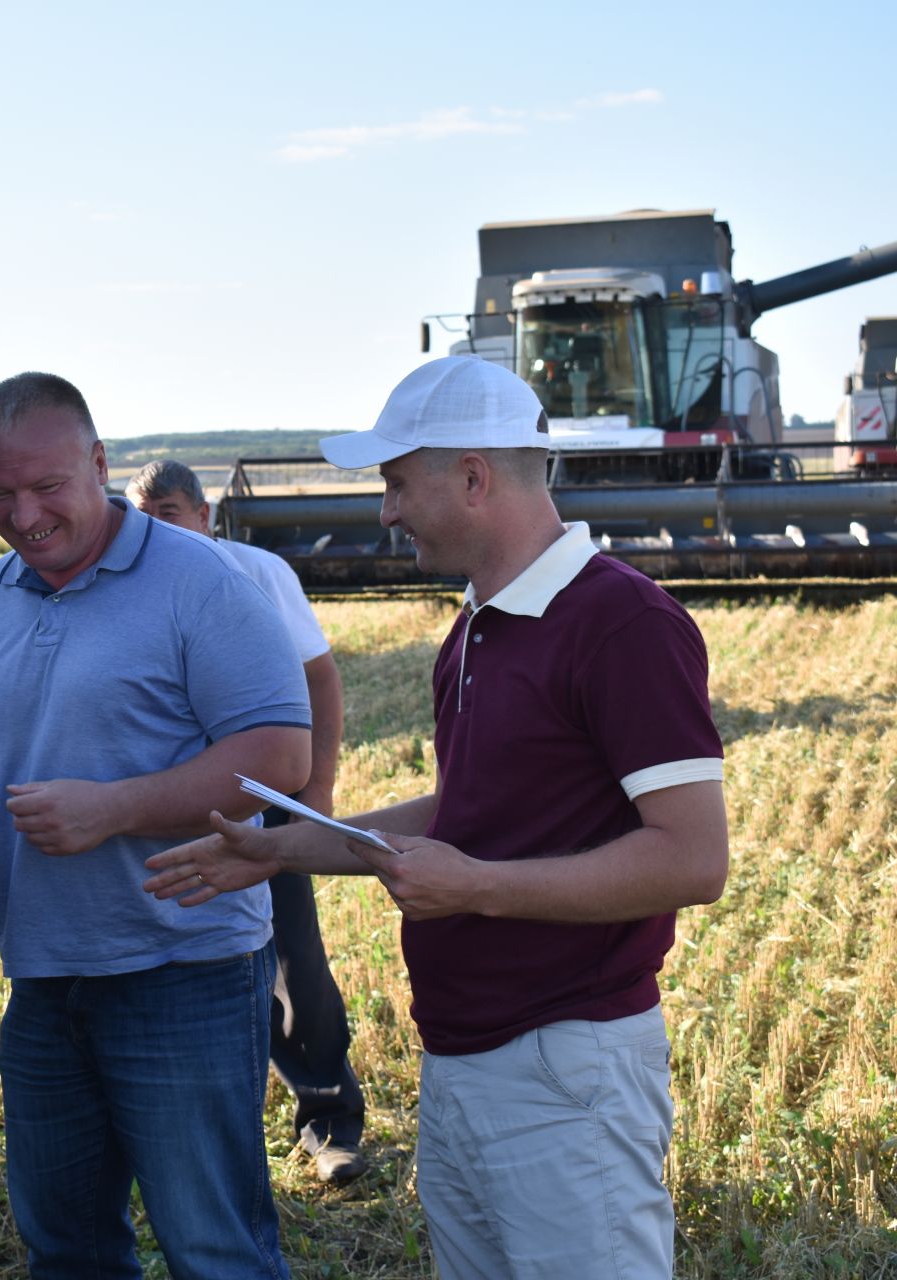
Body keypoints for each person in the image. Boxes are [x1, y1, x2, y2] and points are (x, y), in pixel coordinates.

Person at [146, 355, 729, 1279]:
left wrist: (480, 888)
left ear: (472, 478)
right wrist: (278, 848)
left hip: (563, 1071)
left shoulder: (623, 622)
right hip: (464, 1057)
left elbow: (694, 859)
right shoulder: (476, 624)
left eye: (394, 482)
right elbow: (472, 803)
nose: (385, 510)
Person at [0, 373, 311, 1279]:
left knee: (214, 1249)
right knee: (66, 1249)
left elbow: (278, 758)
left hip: (186, 972)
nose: (24, 514)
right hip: (46, 978)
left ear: (100, 463)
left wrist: (115, 808)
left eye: (47, 487)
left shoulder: (197, 579)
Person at [124, 459, 368, 1185]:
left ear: (204, 515)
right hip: (162, 814)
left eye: (167, 511)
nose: (153, 528)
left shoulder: (254, 572)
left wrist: (315, 793)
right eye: (141, 514)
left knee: (295, 966)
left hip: (257, 809)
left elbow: (319, 675)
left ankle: (328, 1123)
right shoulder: (122, 585)